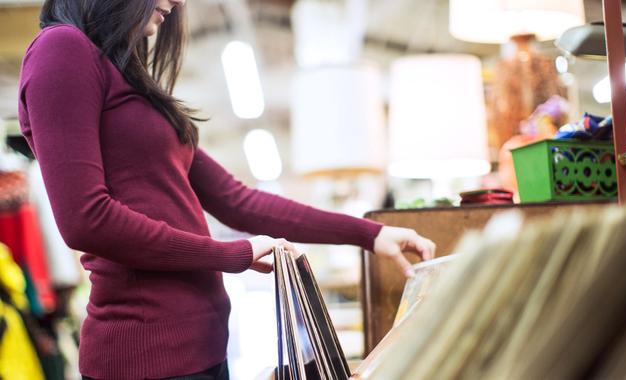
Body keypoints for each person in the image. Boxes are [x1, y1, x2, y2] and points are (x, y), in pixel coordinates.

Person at [18, 0, 436, 379]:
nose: (178, 2)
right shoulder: (62, 50)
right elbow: (87, 221)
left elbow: (238, 201)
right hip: (144, 357)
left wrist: (371, 233)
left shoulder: (120, 73)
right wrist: (233, 255)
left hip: (203, 349)